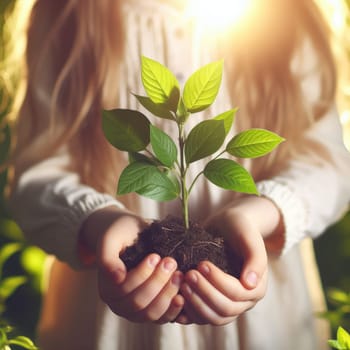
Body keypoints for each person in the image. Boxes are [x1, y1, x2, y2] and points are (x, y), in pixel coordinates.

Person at [8, 0, 350, 349]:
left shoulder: (287, 12)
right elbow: (39, 178)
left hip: (266, 325)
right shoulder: (69, 11)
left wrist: (259, 214)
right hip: (109, 327)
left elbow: (326, 165)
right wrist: (101, 223)